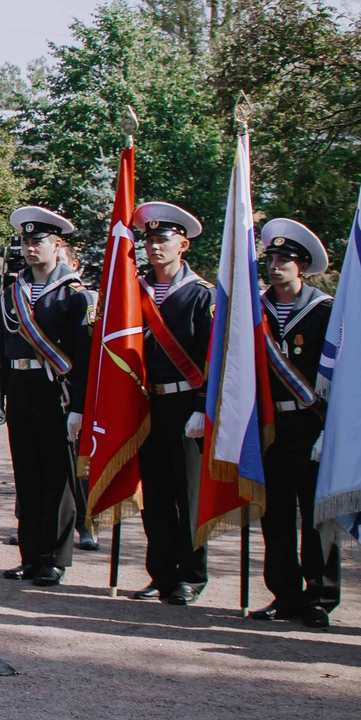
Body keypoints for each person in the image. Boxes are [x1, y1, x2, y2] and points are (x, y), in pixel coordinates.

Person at [0, 207, 94, 586]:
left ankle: (55, 558)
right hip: (20, 389)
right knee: (27, 477)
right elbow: (2, 344)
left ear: (57, 245)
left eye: (38, 242)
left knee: (57, 480)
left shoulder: (74, 296)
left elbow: (84, 358)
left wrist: (80, 407)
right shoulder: (13, 291)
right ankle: (31, 556)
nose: (31, 248)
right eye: (26, 241)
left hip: (57, 393)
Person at [125, 202, 215, 605]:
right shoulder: (133, 292)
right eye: (149, 239)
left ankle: (191, 575)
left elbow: (213, 355)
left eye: (163, 239)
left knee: (188, 495)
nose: (154, 246)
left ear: (184, 245)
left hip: (186, 407)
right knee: (155, 495)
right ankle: (160, 572)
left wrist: (201, 404)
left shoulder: (202, 296)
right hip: (147, 404)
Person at [249, 218, 336, 628]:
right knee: (276, 514)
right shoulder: (253, 309)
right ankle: (284, 593)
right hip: (269, 426)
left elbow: (341, 373)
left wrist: (333, 427)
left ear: (302, 266)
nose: (275, 266)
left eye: (285, 259)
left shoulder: (326, 312)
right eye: (272, 258)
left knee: (316, 514)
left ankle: (320, 596)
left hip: (311, 424)